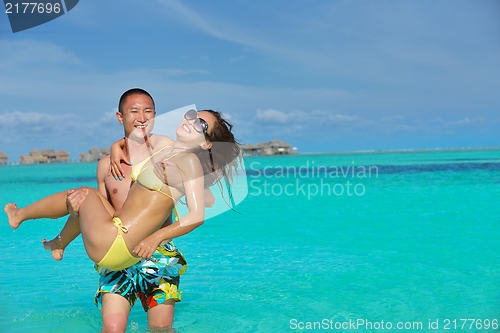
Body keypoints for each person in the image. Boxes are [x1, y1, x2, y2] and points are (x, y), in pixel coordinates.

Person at [4, 104, 240, 329]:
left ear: (207, 144)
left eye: (201, 124)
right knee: (91, 197)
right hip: (118, 234)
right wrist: (117, 147)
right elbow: (137, 137)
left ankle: (20, 215)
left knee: (84, 194)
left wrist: (155, 238)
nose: (190, 121)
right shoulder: (165, 148)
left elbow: (197, 215)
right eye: (191, 115)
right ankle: (58, 242)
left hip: (120, 243)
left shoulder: (188, 162)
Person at [43, 88, 214, 332]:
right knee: (112, 329)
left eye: (148, 111)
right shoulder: (105, 166)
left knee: (161, 329)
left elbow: (203, 199)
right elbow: (99, 214)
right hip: (118, 251)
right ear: (120, 116)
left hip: (158, 251)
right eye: (134, 111)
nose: (142, 117)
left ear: (155, 116)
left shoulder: (163, 151)